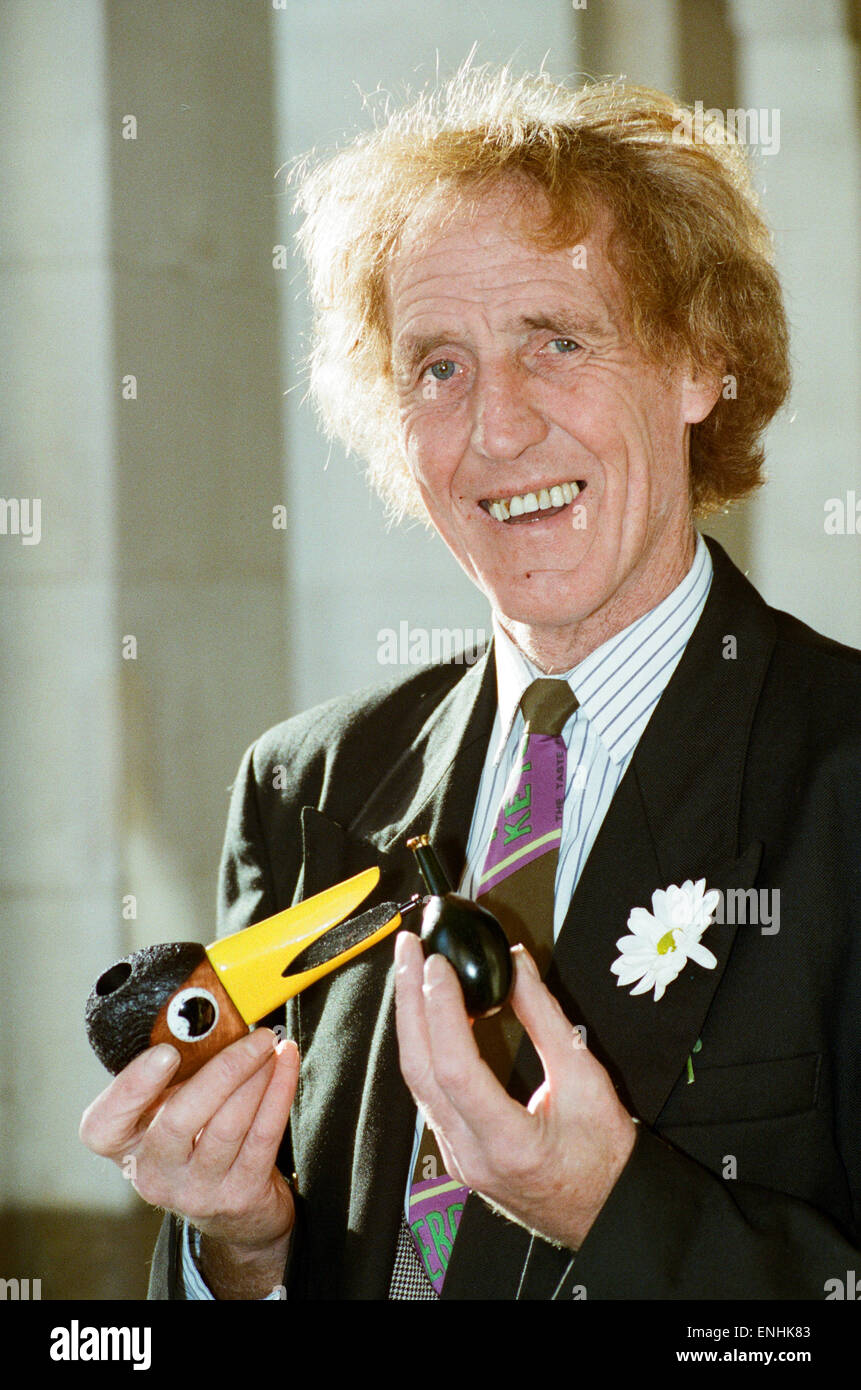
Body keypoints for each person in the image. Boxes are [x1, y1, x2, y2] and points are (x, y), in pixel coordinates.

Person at [80, 67, 861, 1300]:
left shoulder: (841, 779)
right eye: (439, 365)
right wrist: (238, 1247)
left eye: (558, 340)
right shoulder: (307, 786)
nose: (498, 431)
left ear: (701, 362)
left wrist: (612, 1212)